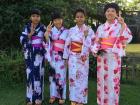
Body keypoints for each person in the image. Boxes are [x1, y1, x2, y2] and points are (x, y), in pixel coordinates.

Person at [91, 3, 132, 105]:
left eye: (113, 11)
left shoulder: (119, 26)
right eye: (108, 11)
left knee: (113, 82)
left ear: (117, 13)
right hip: (102, 58)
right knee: (102, 81)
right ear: (105, 13)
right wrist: (96, 50)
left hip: (114, 57)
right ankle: (101, 103)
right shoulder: (101, 27)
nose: (110, 13)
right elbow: (96, 42)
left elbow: (127, 38)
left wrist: (123, 25)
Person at [63, 8, 95, 105]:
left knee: (82, 78)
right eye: (77, 17)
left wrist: (85, 37)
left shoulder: (89, 30)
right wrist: (65, 57)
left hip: (83, 58)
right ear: (75, 18)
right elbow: (67, 44)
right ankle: (73, 99)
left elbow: (93, 45)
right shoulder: (71, 30)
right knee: (72, 77)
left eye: (81, 16)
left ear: (85, 17)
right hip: (72, 57)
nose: (79, 18)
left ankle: (81, 99)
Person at [20, 9, 46, 105]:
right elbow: (21, 40)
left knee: (39, 75)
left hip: (39, 55)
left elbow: (47, 41)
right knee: (29, 75)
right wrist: (30, 35)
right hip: (30, 54)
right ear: (31, 17)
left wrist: (47, 35)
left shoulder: (43, 28)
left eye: (38, 16)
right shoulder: (26, 27)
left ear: (40, 17)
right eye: (34, 16)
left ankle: (38, 97)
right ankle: (29, 98)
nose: (36, 18)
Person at [43, 11, 68, 105]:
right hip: (53, 55)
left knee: (62, 76)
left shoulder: (66, 31)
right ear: (53, 21)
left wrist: (66, 58)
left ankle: (61, 96)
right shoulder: (51, 30)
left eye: (59, 19)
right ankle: (53, 95)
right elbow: (46, 41)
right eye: (55, 20)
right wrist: (47, 32)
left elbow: (68, 45)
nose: (58, 21)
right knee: (52, 76)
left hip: (62, 56)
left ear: (62, 20)